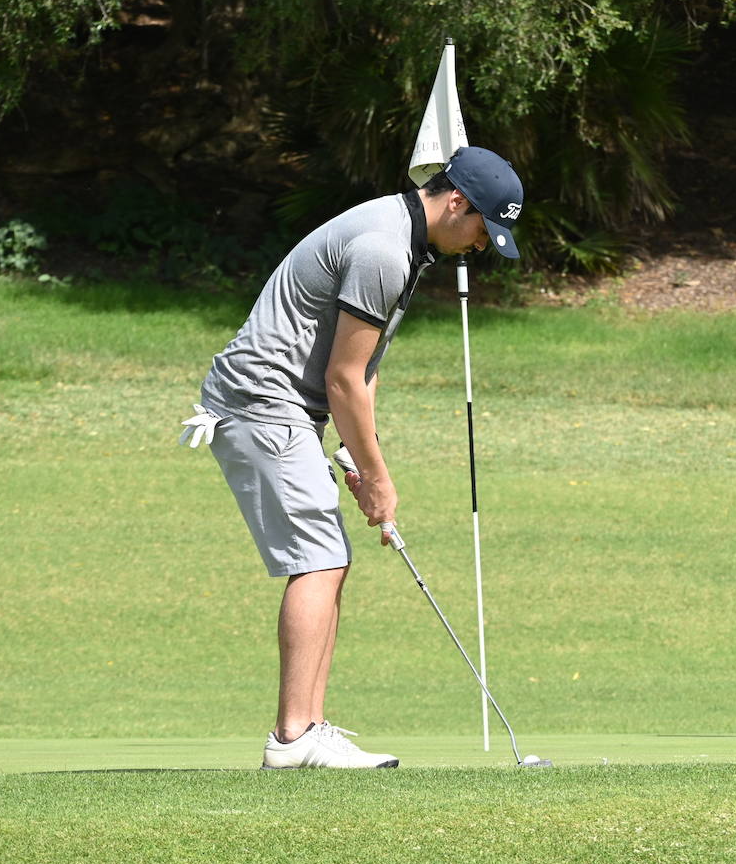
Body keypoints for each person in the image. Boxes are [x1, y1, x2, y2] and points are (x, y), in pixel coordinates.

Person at [180, 147, 524, 768]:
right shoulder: (383, 249)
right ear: (456, 202)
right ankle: (292, 737)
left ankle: (307, 729)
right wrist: (381, 481)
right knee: (318, 557)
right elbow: (342, 378)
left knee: (328, 557)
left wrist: (358, 460)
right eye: (482, 228)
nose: (479, 246)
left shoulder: (406, 242)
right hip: (262, 403)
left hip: (284, 408)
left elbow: (361, 373)